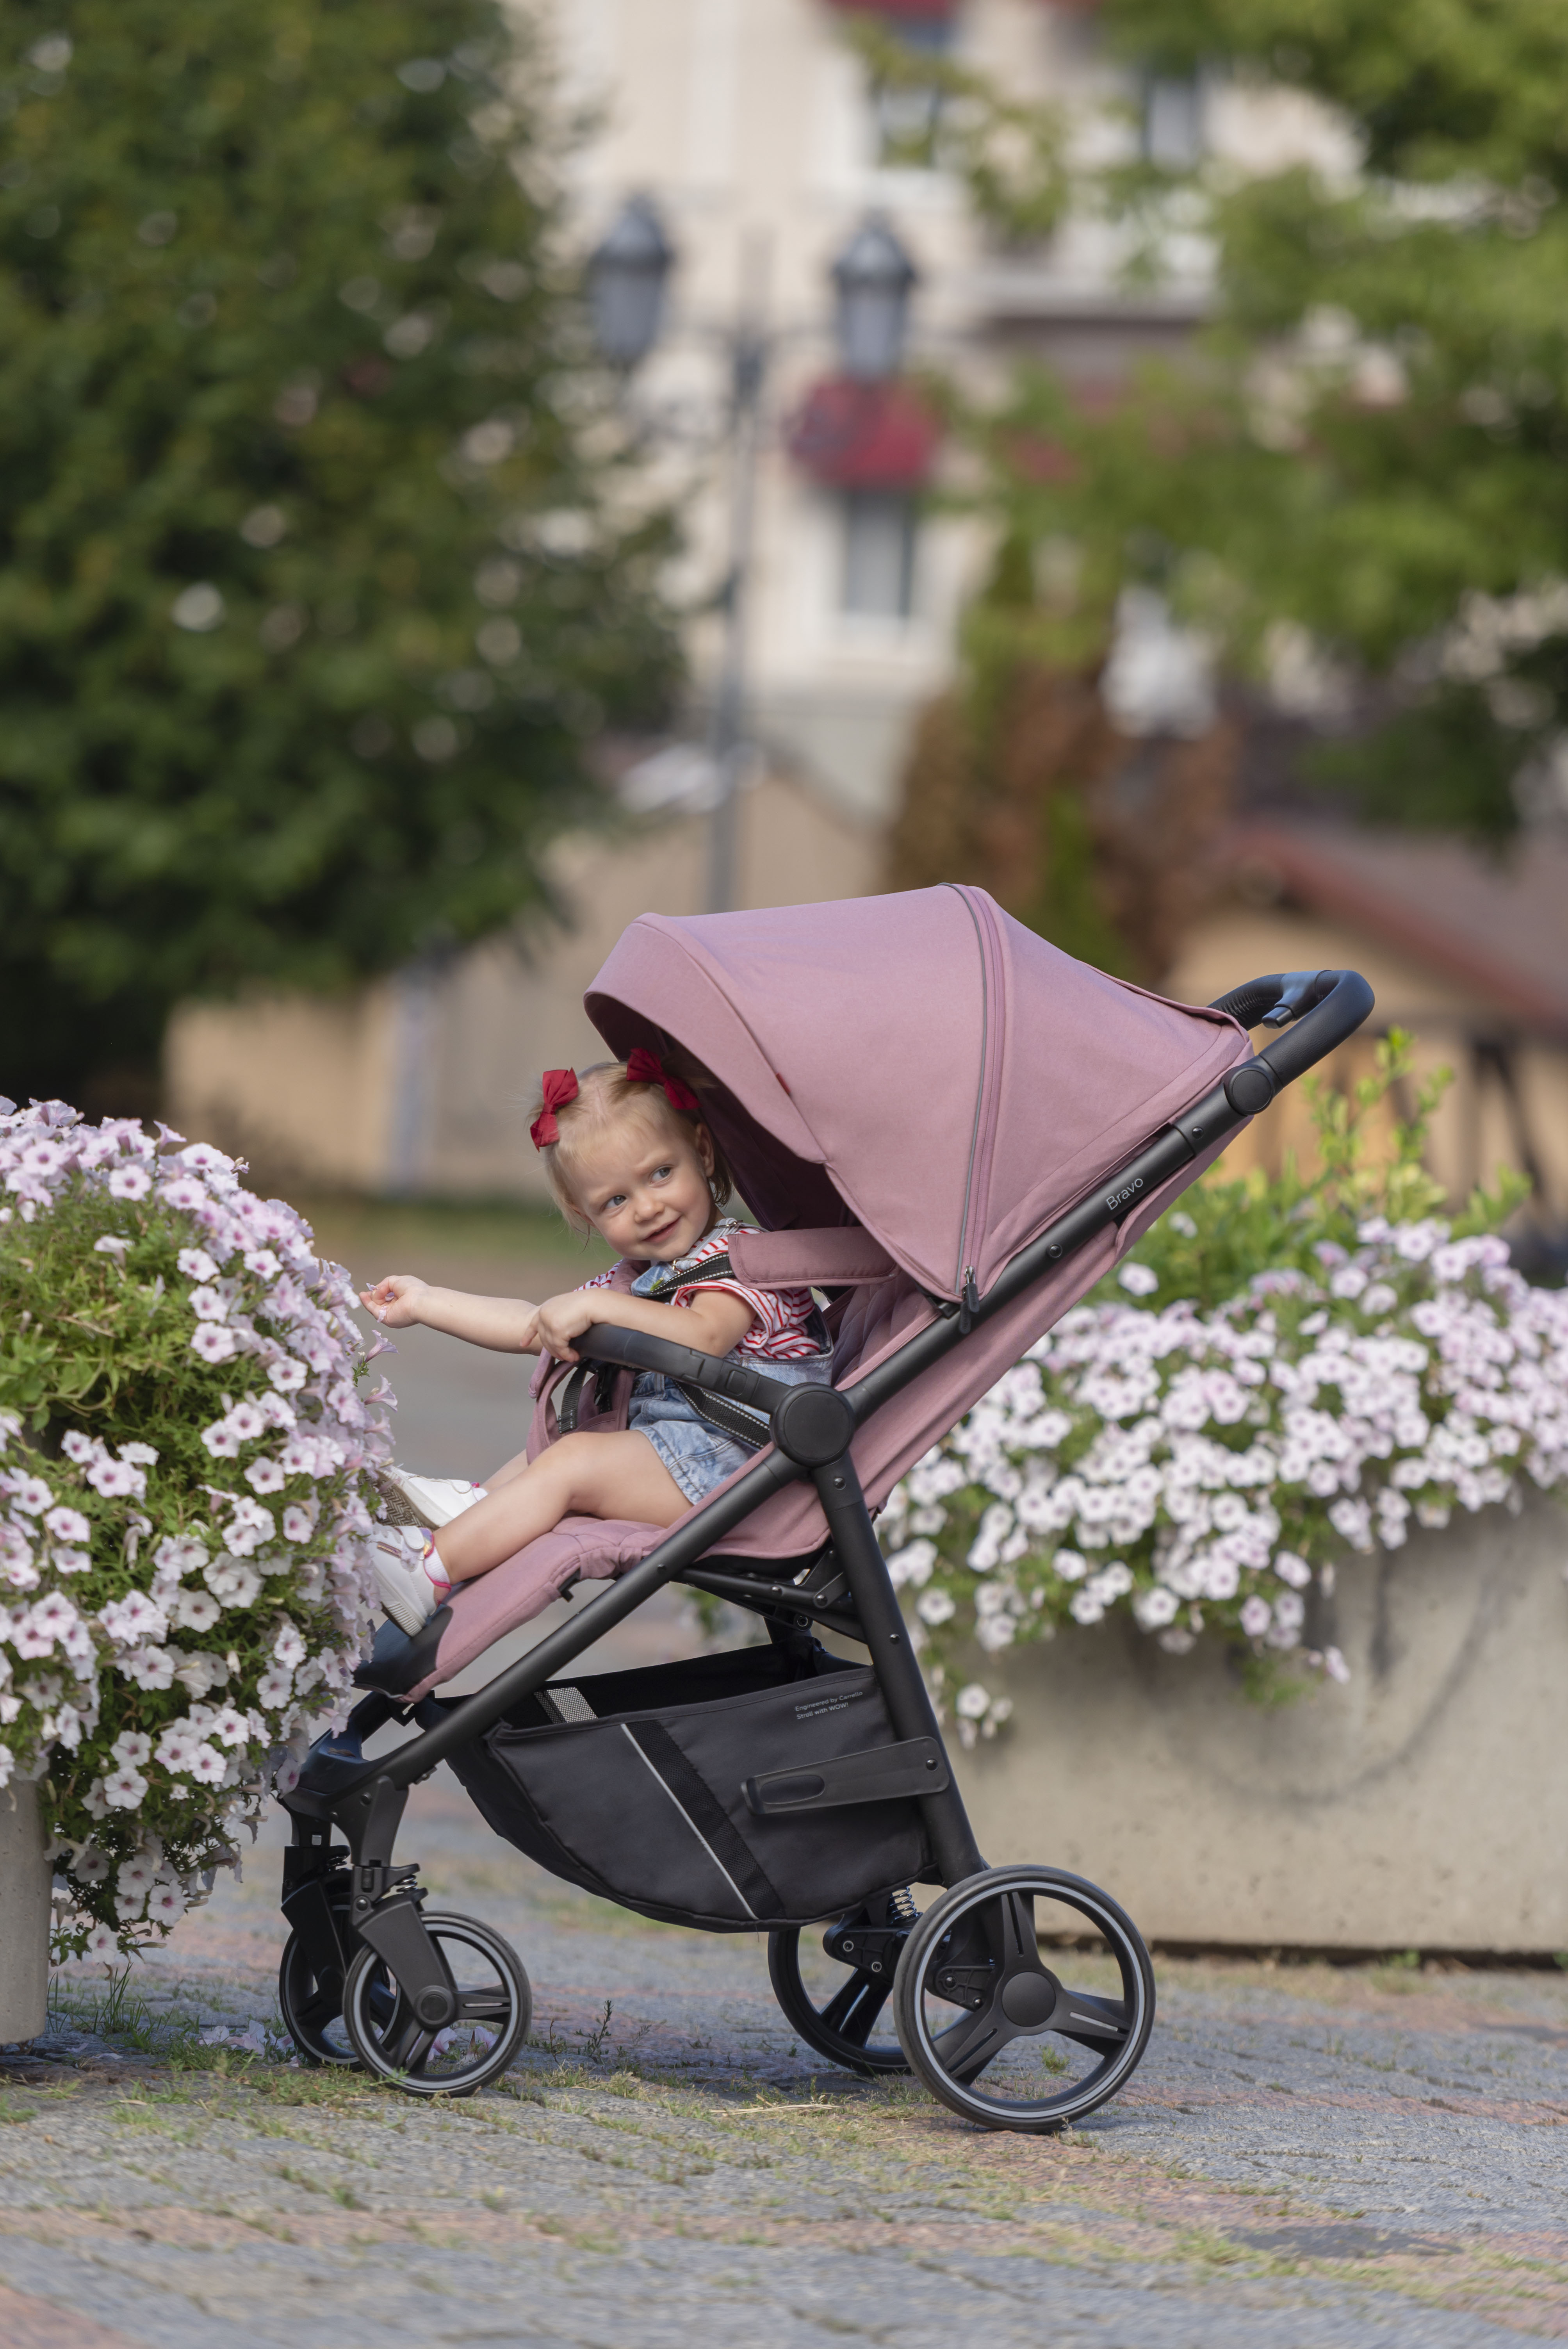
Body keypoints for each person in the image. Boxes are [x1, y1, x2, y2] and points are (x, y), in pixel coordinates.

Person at [358, 1052, 832, 1634]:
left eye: (661, 1173)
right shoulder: (639, 1278)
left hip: (742, 1472)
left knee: (575, 1461)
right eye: (615, 1200)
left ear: (703, 1153)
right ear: (584, 1213)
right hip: (683, 1457)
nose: (648, 1207)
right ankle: (472, 1509)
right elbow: (537, 1325)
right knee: (563, 1448)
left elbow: (706, 1335)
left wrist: (603, 1306)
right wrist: (428, 1302)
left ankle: (427, 1573)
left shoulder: (738, 1260)